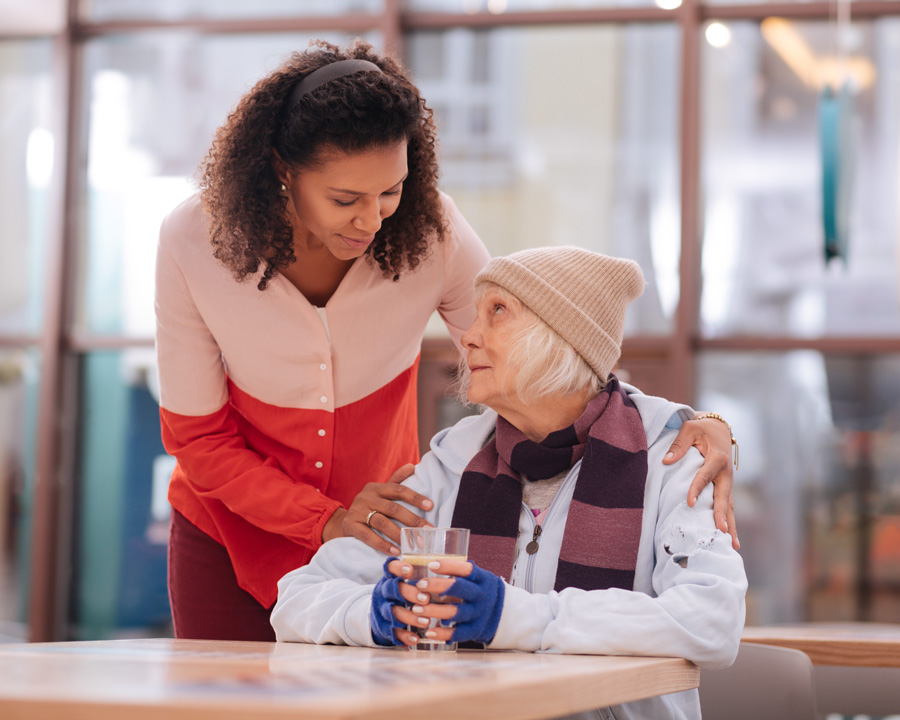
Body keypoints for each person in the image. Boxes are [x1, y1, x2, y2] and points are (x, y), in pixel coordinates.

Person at [155, 39, 739, 643]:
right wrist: (323, 518)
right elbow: (197, 436)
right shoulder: (193, 242)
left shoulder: (430, 231)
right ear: (282, 169)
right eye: (344, 199)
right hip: (227, 529)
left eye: (391, 190)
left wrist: (682, 425)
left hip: (378, 524)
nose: (373, 219)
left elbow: (539, 354)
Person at [271, 247, 748, 720]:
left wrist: (510, 616)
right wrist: (376, 613)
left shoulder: (674, 458)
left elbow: (712, 619)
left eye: (498, 311)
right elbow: (298, 597)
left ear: (563, 338)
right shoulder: (452, 463)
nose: (469, 338)